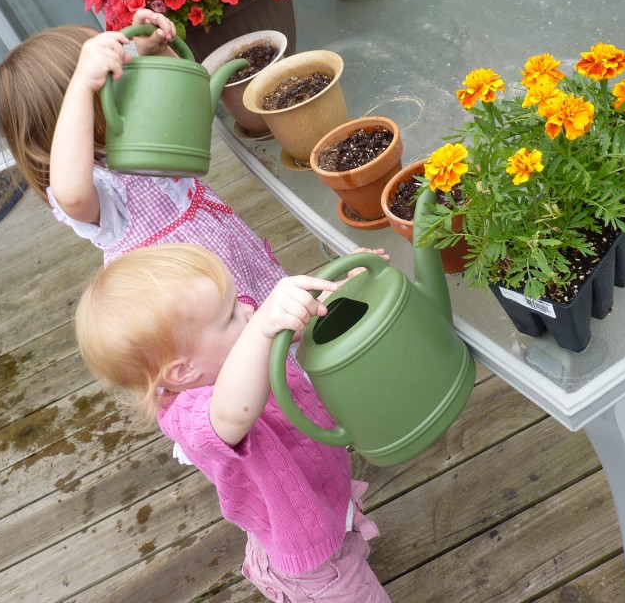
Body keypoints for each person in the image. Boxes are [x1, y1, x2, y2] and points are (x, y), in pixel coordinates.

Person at [75, 243, 391, 602]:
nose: (248, 310)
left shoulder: (231, 348)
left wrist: (348, 290)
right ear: (184, 370)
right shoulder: (190, 416)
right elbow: (232, 412)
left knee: (347, 544)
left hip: (319, 491)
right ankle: (287, 578)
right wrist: (259, 329)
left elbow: (295, 326)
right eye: (229, 315)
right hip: (309, 545)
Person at [0, 9, 284, 308]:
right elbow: (73, 196)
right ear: (79, 110)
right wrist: (81, 85)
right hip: (196, 311)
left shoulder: (141, 136)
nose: (131, 78)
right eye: (113, 78)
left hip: (236, 267)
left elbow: (185, 101)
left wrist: (155, 50)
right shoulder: (100, 189)